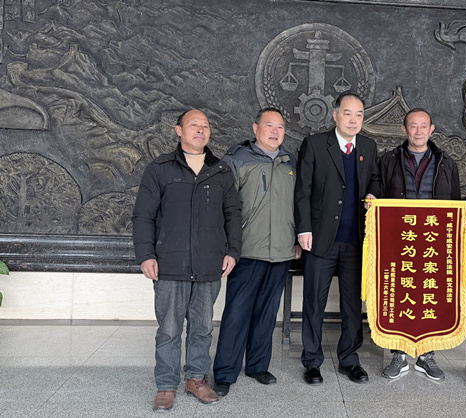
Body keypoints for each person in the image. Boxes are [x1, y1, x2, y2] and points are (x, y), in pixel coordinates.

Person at [132, 109, 242, 411]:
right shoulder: (160, 168)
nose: (201, 130)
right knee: (169, 330)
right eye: (194, 125)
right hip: (170, 264)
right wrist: (146, 255)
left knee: (202, 328)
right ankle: (166, 385)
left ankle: (196, 378)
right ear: (178, 130)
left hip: (209, 264)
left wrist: (233, 251)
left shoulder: (220, 171)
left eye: (205, 125)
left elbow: (233, 214)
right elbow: (143, 215)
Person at [212, 108, 300, 396]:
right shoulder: (237, 160)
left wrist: (296, 239)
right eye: (269, 125)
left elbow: (297, 205)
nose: (275, 131)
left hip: (281, 251)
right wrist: (228, 246)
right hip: (247, 250)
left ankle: (258, 365)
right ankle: (225, 372)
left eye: (280, 127)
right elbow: (223, 207)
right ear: (255, 128)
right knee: (237, 312)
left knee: (267, 312)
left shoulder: (290, 162)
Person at [295, 92, 381, 385]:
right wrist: (303, 229)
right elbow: (302, 190)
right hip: (321, 238)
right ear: (335, 115)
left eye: (359, 114)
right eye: (347, 113)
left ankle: (349, 359)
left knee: (352, 304)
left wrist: (373, 193)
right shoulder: (315, 144)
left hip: (356, 240)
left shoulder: (368, 146)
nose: (353, 120)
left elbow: (375, 179)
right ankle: (312, 361)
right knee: (314, 302)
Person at [376, 108, 465, 380]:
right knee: (398, 294)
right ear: (404, 130)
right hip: (398, 241)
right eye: (412, 126)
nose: (418, 131)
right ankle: (398, 354)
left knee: (430, 295)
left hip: (433, 243)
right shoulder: (388, 160)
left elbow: (455, 204)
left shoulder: (446, 163)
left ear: (431, 129)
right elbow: (378, 196)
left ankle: (427, 356)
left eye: (423, 126)